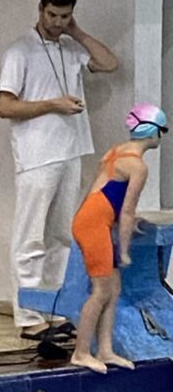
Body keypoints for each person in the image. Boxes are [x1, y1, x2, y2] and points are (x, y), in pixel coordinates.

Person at [0, 0, 118, 340]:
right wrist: (53, 104)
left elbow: (109, 63)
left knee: (62, 236)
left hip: (70, 151)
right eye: (52, 15)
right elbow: (6, 106)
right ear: (40, 8)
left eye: (65, 16)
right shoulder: (19, 51)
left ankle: (53, 308)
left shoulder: (69, 47)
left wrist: (76, 32)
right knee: (31, 237)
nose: (57, 22)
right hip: (37, 155)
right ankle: (28, 315)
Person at [70, 104, 168, 374]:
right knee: (101, 291)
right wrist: (123, 251)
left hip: (90, 220)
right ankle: (80, 352)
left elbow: (100, 194)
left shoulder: (114, 153)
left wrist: (114, 221)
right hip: (93, 226)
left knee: (113, 289)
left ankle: (105, 350)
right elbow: (126, 211)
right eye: (163, 130)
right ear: (153, 132)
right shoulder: (137, 166)